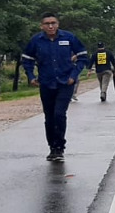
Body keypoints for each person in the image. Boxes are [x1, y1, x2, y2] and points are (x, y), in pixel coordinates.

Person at [21, 12, 89, 162]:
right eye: (47, 24)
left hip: (65, 83)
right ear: (42, 26)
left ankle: (60, 147)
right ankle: (52, 146)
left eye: (53, 23)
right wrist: (31, 76)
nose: (50, 26)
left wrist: (74, 75)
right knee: (49, 117)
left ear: (58, 24)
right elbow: (27, 60)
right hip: (46, 83)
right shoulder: (36, 41)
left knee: (59, 114)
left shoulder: (69, 38)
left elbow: (83, 56)